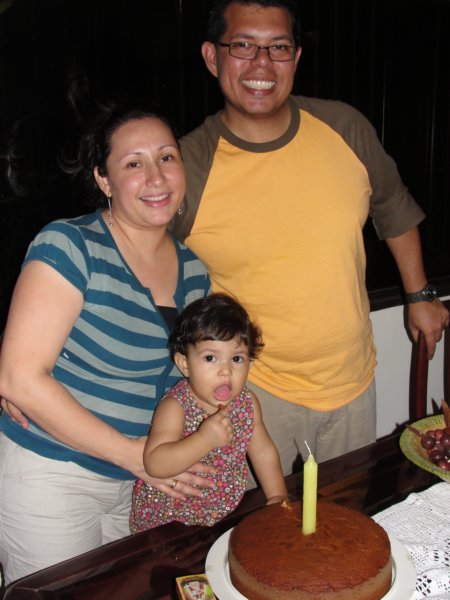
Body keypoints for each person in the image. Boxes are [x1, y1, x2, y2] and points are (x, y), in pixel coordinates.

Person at [171, 0, 450, 476]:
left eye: (278, 47)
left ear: (296, 58)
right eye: (243, 45)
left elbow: (393, 206)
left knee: (346, 509)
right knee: (262, 518)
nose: (262, 64)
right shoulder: (187, 165)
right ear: (212, 57)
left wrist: (419, 294)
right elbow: (144, 267)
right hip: (250, 391)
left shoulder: (344, 127)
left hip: (351, 379)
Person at [0, 99, 211, 584]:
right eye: (133, 164)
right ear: (103, 179)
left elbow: (190, 383)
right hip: (53, 473)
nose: (156, 177)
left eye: (166, 157)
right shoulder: (70, 245)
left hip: (138, 482)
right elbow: (19, 377)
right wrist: (132, 454)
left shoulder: (197, 273)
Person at [130, 293, 287, 532]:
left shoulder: (247, 403)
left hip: (224, 512)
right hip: (169, 520)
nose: (225, 371)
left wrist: (277, 497)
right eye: (210, 358)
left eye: (237, 359)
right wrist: (204, 440)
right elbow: (155, 463)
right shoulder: (175, 407)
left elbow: (263, 451)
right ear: (184, 364)